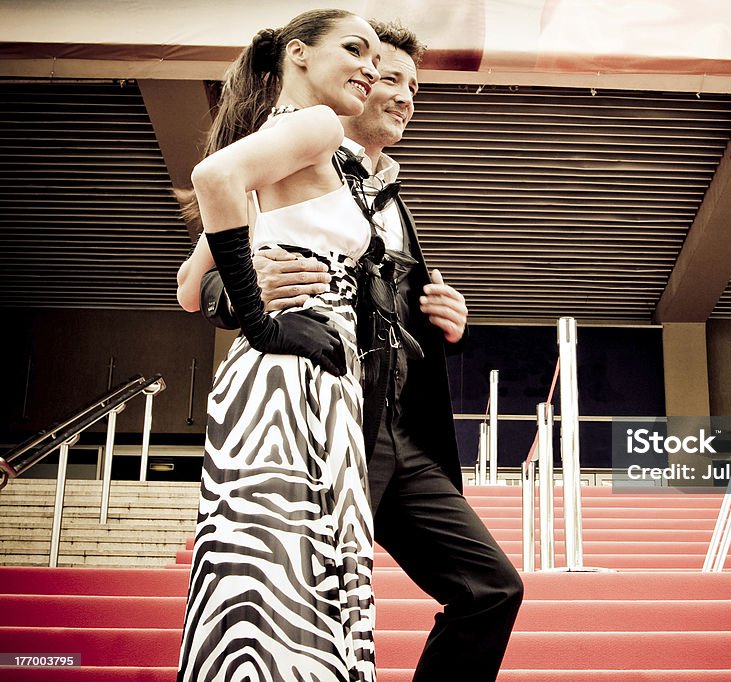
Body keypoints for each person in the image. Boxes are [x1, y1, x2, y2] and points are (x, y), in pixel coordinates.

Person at [199, 21, 523, 682]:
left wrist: (448, 324)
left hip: (398, 429)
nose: (401, 94)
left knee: (491, 589)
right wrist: (241, 298)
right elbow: (200, 277)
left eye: (411, 85)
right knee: (314, 608)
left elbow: (385, 307)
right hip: (325, 414)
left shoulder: (394, 197)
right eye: (386, 75)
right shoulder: (293, 143)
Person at [174, 9, 382, 681]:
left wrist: (241, 294)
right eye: (355, 49)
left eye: (376, 59)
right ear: (297, 54)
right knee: (294, 562)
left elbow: (187, 286)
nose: (370, 69)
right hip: (289, 371)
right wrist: (258, 317)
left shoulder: (277, 138)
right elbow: (211, 179)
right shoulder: (317, 125)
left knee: (262, 565)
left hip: (276, 377)